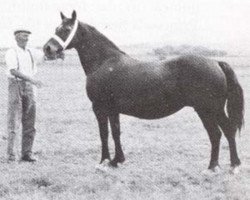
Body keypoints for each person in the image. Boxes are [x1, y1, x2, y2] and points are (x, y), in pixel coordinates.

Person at [5, 28, 43, 162]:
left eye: (27, 36)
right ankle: (11, 156)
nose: (26, 38)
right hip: (16, 85)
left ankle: (27, 153)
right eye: (23, 36)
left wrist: (58, 55)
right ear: (16, 38)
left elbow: (45, 56)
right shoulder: (11, 51)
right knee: (14, 121)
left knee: (30, 121)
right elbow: (13, 70)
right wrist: (31, 80)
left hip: (29, 87)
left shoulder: (30, 52)